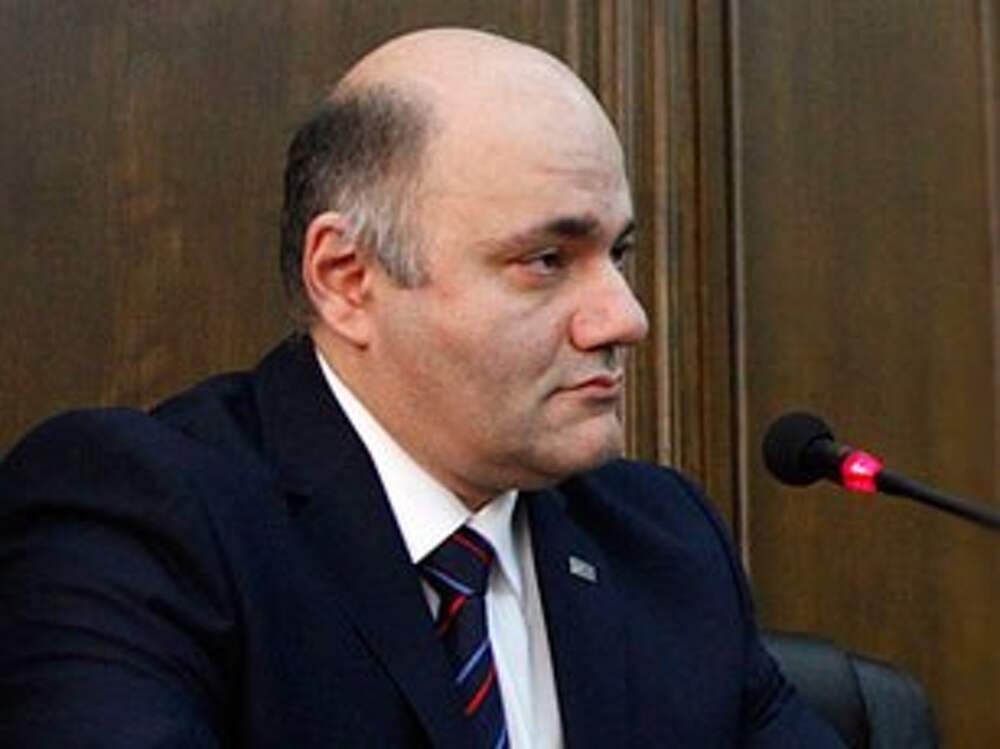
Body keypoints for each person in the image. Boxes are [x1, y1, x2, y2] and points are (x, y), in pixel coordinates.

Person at [0, 28, 844, 748]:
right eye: (546, 260)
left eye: (617, 254)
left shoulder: (662, 543)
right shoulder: (143, 516)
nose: (625, 318)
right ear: (347, 277)